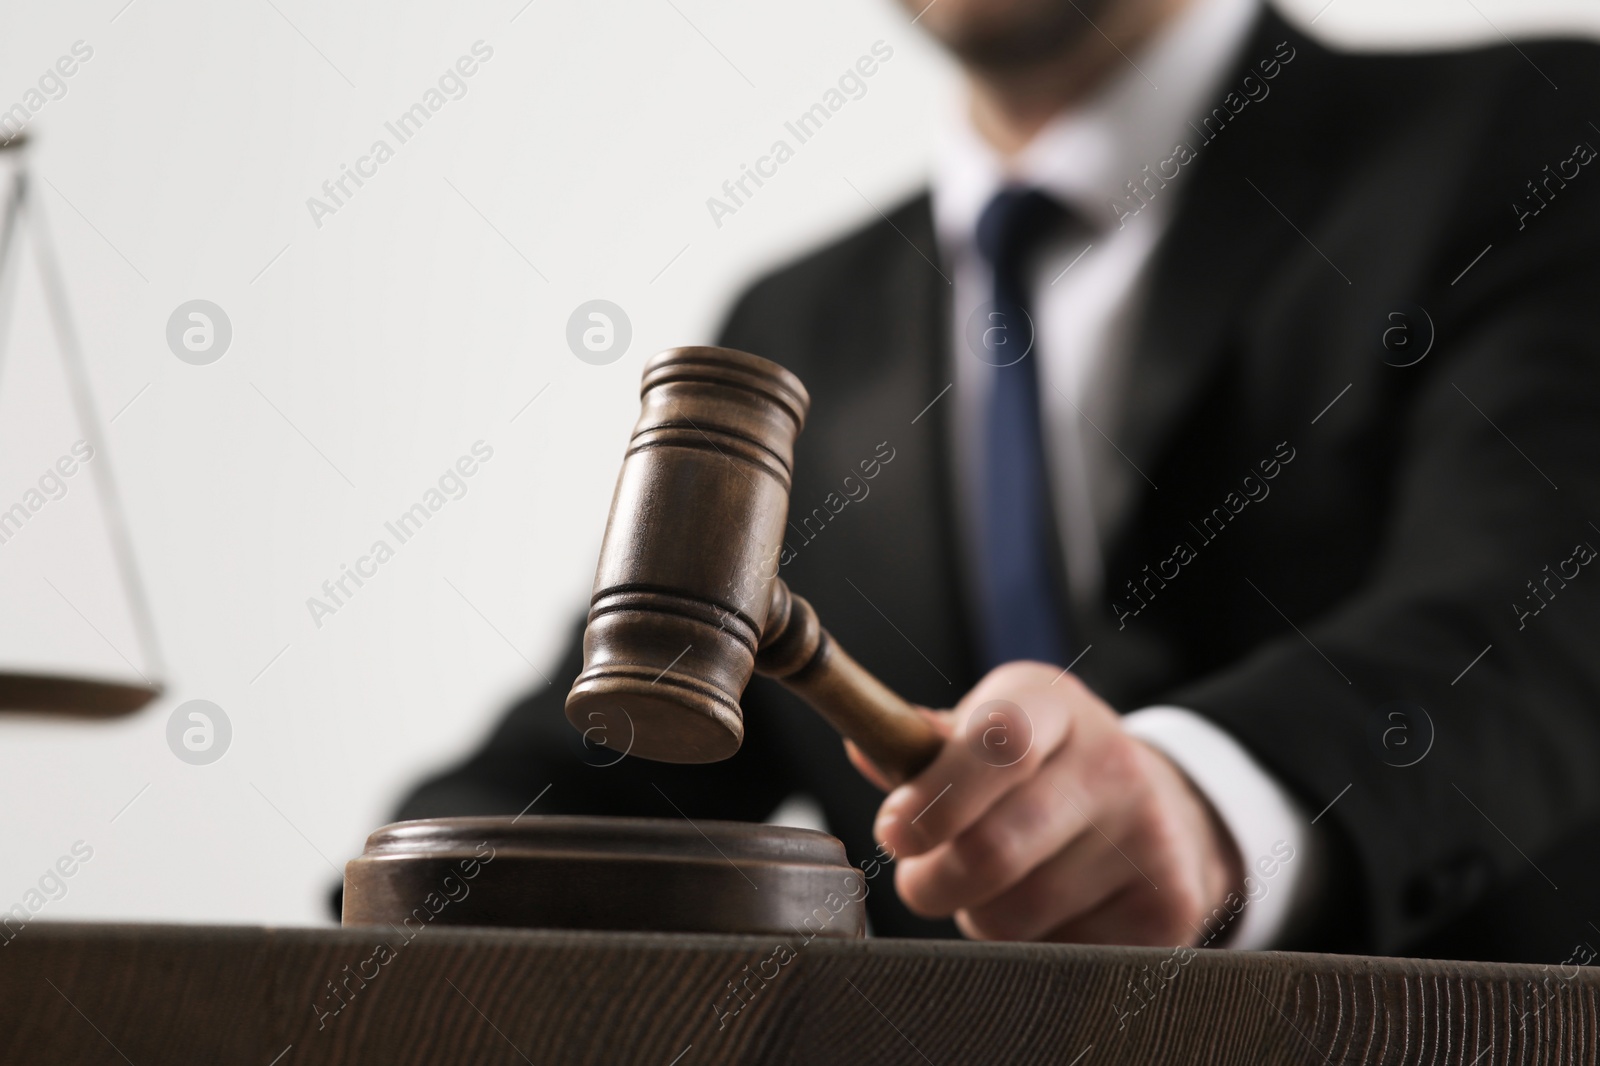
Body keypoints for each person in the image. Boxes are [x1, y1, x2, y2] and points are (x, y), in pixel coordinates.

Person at [393, 0, 1600, 963]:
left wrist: (1211, 797)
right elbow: (592, 762)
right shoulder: (798, 320)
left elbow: (1542, 612)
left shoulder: (1536, 133)